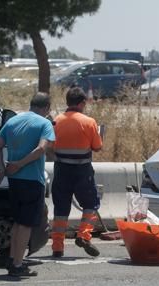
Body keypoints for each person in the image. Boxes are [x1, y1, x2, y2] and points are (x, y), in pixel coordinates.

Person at [0, 93, 55, 277]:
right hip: (33, 180)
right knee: (26, 225)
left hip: (14, 181)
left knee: (18, 222)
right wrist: (21, 163)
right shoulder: (45, 124)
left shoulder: (12, 122)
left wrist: (2, 169)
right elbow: (43, 148)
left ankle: (12, 259)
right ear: (46, 108)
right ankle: (18, 264)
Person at [51, 87, 102, 258]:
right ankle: (84, 236)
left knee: (61, 209)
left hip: (61, 171)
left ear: (67, 102)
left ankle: (57, 247)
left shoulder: (56, 121)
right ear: (82, 103)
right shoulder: (89, 122)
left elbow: (49, 145)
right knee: (91, 204)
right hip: (82, 172)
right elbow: (98, 147)